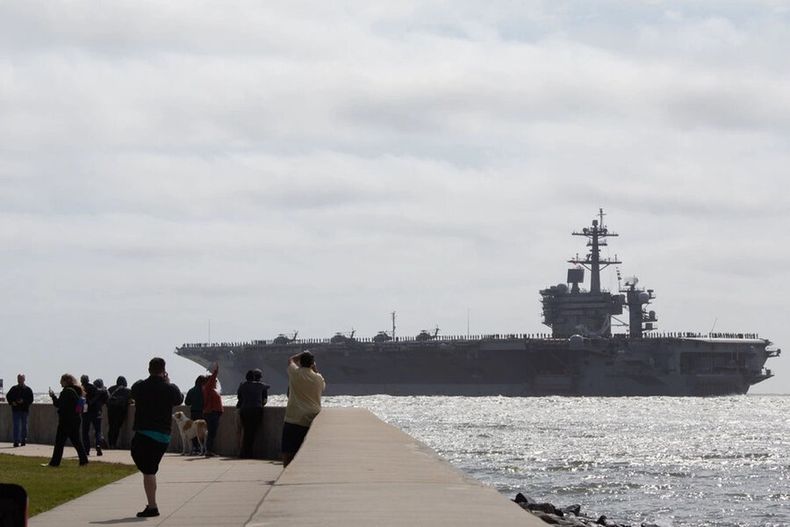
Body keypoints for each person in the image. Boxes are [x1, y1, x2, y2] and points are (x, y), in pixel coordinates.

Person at [130, 357, 183, 518]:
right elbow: (179, 399)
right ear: (163, 370)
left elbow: (132, 395)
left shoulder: (139, 386)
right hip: (162, 436)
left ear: (149, 369)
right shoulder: (169, 388)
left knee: (147, 470)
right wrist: (167, 383)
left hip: (144, 433)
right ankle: (152, 505)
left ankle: (152, 507)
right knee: (149, 470)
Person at [281, 351, 325, 467]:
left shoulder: (295, 373)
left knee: (288, 452)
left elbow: (290, 360)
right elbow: (322, 384)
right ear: (312, 364)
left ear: (300, 362)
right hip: (311, 419)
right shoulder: (319, 379)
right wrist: (315, 368)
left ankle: (285, 474)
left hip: (293, 419)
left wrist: (301, 354)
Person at [45, 374, 89, 467]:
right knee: (77, 442)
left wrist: (53, 396)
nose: (60, 382)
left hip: (66, 421)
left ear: (65, 381)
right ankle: (84, 461)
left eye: (61, 380)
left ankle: (54, 463)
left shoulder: (66, 392)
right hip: (75, 420)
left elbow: (58, 404)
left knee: (59, 442)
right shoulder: (75, 390)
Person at [236, 368, 271, 458]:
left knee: (246, 431)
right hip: (255, 410)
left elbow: (239, 396)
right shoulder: (260, 385)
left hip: (244, 410)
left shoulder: (242, 385)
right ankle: (248, 453)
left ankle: (244, 452)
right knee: (251, 432)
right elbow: (268, 387)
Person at [7, 374, 34, 447]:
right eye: (19, 379)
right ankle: (16, 441)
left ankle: (23, 440)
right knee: (16, 426)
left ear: (24, 379)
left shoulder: (28, 389)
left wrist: (23, 401)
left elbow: (31, 399)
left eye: (21, 379)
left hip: (24, 410)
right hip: (16, 410)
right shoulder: (14, 388)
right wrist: (12, 402)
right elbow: (8, 396)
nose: (20, 380)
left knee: (24, 426)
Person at [202, 363, 223, 457]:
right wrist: (216, 370)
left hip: (214, 413)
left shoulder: (212, 389)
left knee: (212, 433)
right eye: (214, 381)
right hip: (212, 413)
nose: (216, 382)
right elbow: (212, 378)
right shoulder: (208, 387)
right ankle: (208, 450)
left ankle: (209, 450)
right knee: (211, 433)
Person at [107, 376, 132, 449]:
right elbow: (131, 400)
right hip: (120, 411)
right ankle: (113, 444)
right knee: (116, 428)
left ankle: (110, 444)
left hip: (110, 410)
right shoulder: (127, 390)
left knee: (111, 427)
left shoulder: (111, 389)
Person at [184, 375, 206, 454]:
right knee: (203, 432)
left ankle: (195, 447)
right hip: (203, 414)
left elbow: (187, 403)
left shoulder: (191, 390)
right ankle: (203, 448)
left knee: (194, 431)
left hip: (193, 413)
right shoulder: (205, 391)